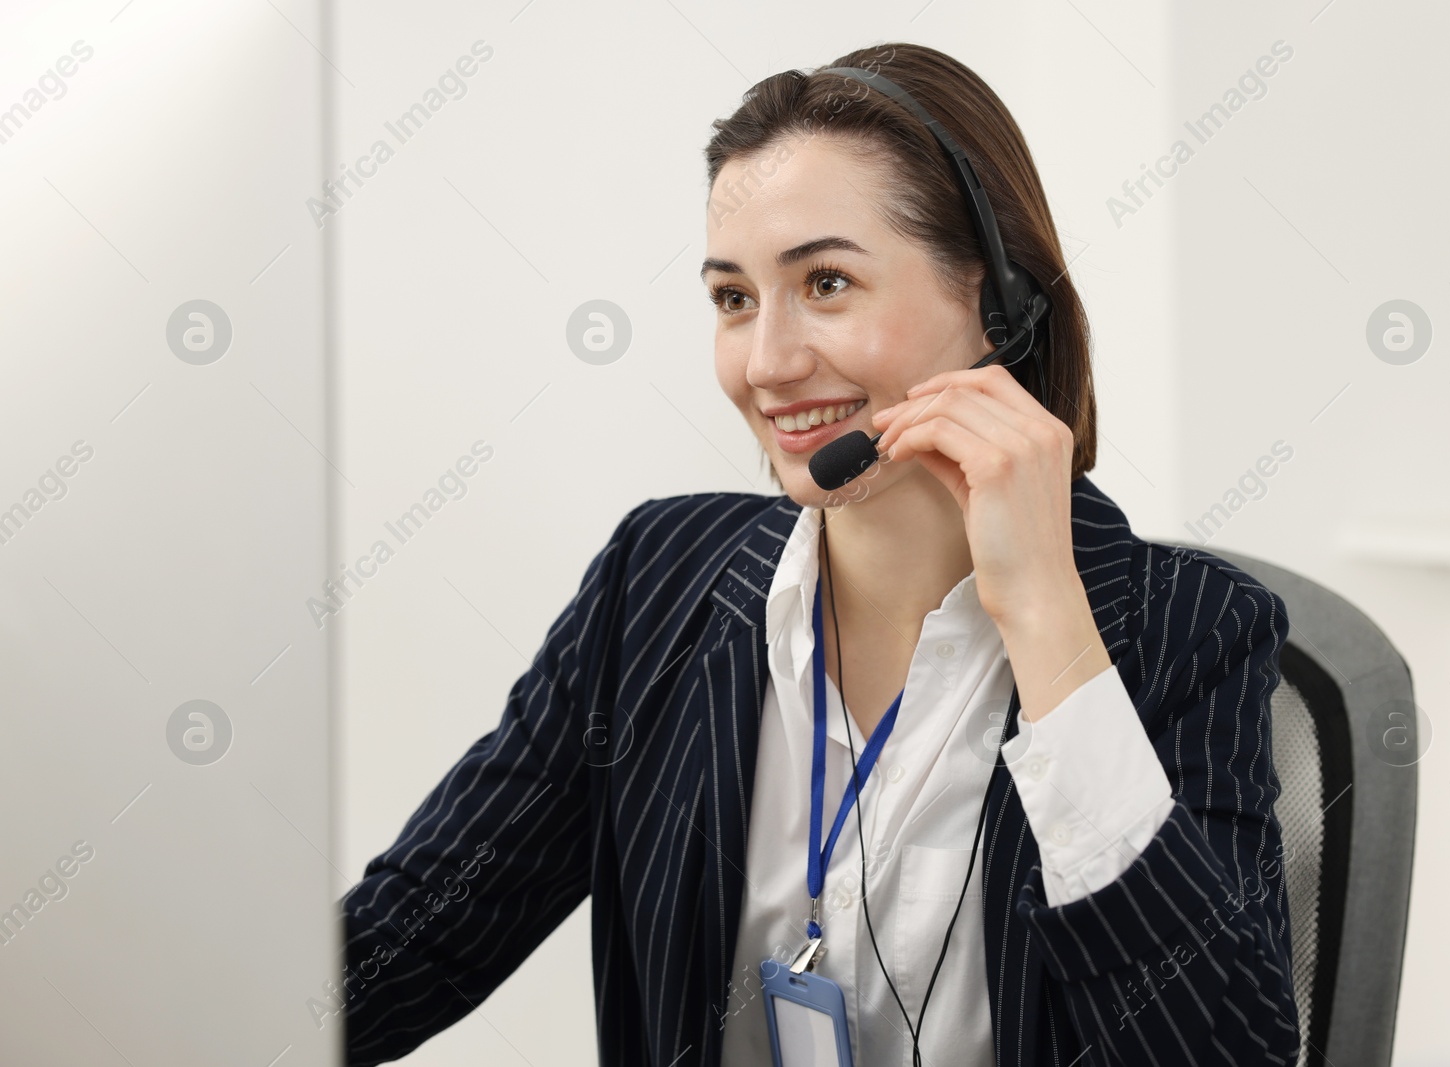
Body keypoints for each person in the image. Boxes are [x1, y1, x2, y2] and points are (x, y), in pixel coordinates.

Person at [338, 41, 1300, 1067]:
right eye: (733, 299)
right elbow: (418, 936)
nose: (768, 364)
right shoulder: (655, 583)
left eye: (827, 282)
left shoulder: (1189, 629)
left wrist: (1044, 619)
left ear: (996, 297)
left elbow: (1227, 1050)